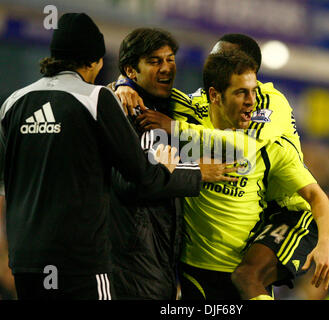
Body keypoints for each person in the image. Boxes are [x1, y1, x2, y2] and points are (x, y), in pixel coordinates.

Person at [0, 13, 178, 300]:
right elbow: (141, 173)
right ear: (95, 61)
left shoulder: (12, 103)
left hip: (26, 262)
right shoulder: (94, 99)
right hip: (80, 263)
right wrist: (165, 167)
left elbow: (5, 183)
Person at [109, 28, 238, 300]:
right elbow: (131, 185)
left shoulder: (168, 107)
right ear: (132, 70)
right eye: (155, 62)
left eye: (170, 59)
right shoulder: (128, 112)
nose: (167, 68)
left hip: (160, 265)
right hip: (133, 268)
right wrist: (196, 173)